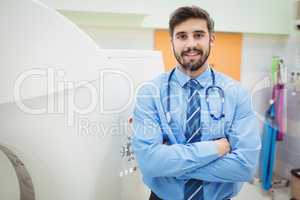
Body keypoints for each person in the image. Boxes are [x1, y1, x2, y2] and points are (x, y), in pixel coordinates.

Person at [132, 5, 261, 200]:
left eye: (198, 35)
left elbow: (245, 167)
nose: (190, 44)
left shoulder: (237, 94)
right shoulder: (150, 93)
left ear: (211, 39)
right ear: (172, 42)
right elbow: (149, 163)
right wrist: (215, 149)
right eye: (182, 36)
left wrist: (170, 163)